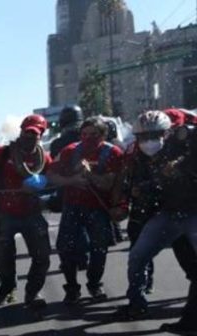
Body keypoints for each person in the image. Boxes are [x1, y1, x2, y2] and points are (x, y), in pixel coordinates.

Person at [117, 110, 197, 320]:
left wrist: (180, 168)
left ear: (168, 133)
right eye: (144, 137)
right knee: (137, 256)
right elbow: (141, 185)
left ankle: (190, 319)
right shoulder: (138, 157)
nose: (149, 142)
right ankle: (137, 303)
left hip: (193, 213)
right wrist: (140, 190)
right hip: (168, 214)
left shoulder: (187, 145)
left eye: (155, 135)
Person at [0, 114, 55, 308]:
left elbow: (54, 180)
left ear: (41, 136)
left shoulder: (44, 158)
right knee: (3, 258)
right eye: (27, 132)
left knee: (42, 256)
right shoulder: (3, 153)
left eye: (35, 134)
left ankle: (33, 293)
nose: (30, 137)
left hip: (32, 212)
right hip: (5, 213)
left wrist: (42, 184)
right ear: (21, 131)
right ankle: (7, 289)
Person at [50, 117, 126, 305]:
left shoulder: (113, 153)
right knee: (65, 248)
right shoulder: (69, 151)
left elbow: (109, 183)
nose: (88, 138)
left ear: (103, 135)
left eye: (94, 134)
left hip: (98, 208)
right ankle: (72, 288)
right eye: (84, 134)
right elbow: (51, 175)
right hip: (72, 207)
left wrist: (90, 175)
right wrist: (72, 181)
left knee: (99, 249)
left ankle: (94, 284)